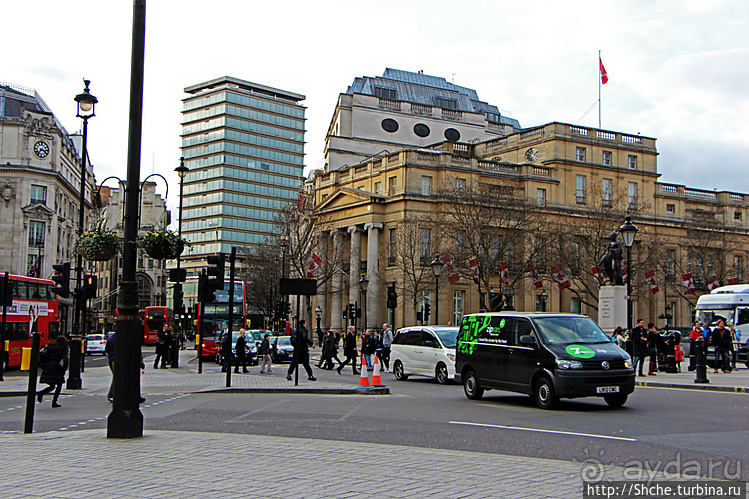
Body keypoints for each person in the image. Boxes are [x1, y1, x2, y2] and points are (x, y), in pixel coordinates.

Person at [37, 336, 69, 408]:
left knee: (52, 385)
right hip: (56, 367)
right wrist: (63, 370)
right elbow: (66, 361)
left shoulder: (49, 347)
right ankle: (54, 402)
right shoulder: (62, 348)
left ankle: (41, 393)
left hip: (47, 366)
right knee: (59, 384)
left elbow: (44, 356)